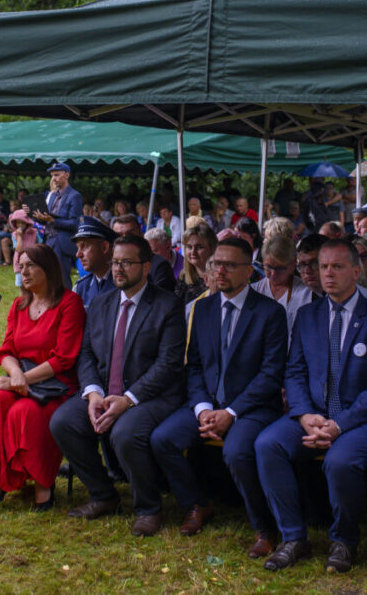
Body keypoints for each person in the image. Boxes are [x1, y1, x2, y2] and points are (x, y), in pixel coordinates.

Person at [257, 239, 367, 573]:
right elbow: (294, 370)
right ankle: (294, 537)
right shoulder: (307, 315)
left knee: (340, 461)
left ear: (356, 270)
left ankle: (344, 541)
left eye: (336, 266)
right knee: (267, 444)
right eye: (323, 267)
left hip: (359, 420)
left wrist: (339, 425)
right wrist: (305, 415)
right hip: (311, 413)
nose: (328, 274)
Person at [151, 237, 287, 559]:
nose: (219, 270)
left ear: (249, 271)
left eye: (229, 264)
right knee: (162, 440)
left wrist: (231, 412)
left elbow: (271, 374)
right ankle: (196, 503)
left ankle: (264, 527)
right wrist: (202, 409)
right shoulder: (204, 308)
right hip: (206, 403)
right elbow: (194, 365)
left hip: (251, 408)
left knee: (238, 452)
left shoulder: (270, 313)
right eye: (216, 264)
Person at [50, 235, 186, 536]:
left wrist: (128, 399)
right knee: (63, 422)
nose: (118, 269)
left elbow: (169, 365)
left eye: (127, 262)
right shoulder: (101, 304)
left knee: (125, 432)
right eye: (115, 262)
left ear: (147, 266)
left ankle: (148, 507)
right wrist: (93, 392)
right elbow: (85, 353)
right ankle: (103, 494)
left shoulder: (168, 306)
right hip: (104, 391)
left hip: (151, 396)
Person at [0, 243, 85, 513]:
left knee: (23, 412)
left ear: (48, 268)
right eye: (21, 266)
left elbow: (64, 358)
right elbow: (7, 351)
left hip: (56, 385)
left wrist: (21, 379)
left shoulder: (69, 303)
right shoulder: (19, 304)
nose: (24, 272)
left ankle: (42, 485)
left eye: (31, 266)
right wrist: (15, 376)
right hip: (22, 378)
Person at [29, 163, 83, 289]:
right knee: (48, 277)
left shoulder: (74, 196)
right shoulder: (52, 195)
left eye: (57, 175)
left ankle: (68, 306)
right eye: (52, 176)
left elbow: (75, 224)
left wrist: (52, 220)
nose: (54, 178)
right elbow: (47, 220)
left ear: (67, 175)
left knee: (62, 278)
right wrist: (37, 216)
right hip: (48, 240)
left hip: (62, 242)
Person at [251, 235, 302, 339]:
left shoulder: (307, 293)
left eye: (280, 268)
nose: (273, 274)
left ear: (292, 264)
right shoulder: (253, 291)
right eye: (269, 267)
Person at [112, 215, 174, 291]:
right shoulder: (107, 265)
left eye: (130, 235)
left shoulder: (159, 265)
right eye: (119, 236)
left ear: (141, 235)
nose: (124, 240)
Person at [72, 216, 116, 309]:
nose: (78, 254)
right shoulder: (81, 287)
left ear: (104, 247)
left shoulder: (125, 284)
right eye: (78, 248)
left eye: (84, 246)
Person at [176, 222, 218, 304]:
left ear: (211, 248)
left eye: (199, 247)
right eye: (189, 247)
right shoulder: (183, 277)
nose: (193, 252)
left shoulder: (220, 276)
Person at [9, 209, 38, 287]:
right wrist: (19, 237)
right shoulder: (14, 234)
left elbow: (39, 246)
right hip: (19, 263)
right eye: (18, 223)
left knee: (32, 284)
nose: (21, 225)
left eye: (23, 222)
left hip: (32, 261)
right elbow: (19, 249)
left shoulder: (34, 233)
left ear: (27, 222)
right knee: (21, 284)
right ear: (15, 223)